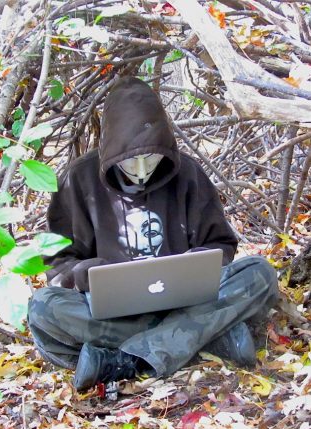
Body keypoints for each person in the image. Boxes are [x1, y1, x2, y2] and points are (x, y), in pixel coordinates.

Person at [28, 76, 279, 391]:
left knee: (260, 273)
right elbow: (58, 260)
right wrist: (88, 274)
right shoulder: (79, 180)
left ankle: (126, 361)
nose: (143, 170)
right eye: (132, 162)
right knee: (42, 309)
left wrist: (195, 263)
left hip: (185, 305)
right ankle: (207, 344)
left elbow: (220, 244)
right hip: (114, 315)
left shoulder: (188, 175)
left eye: (152, 157)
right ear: (110, 151)